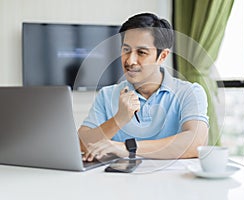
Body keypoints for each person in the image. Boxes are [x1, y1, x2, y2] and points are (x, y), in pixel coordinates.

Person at [79, 13, 209, 162]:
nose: (130, 60)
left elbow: (195, 143)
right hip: (119, 182)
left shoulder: (189, 92)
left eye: (141, 52)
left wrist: (126, 148)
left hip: (173, 183)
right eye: (126, 50)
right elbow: (81, 144)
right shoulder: (107, 95)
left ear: (162, 56)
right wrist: (119, 119)